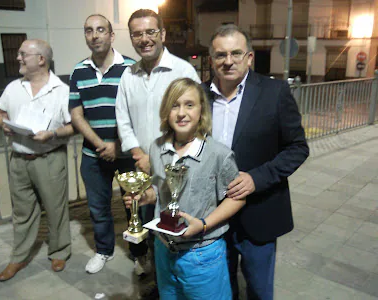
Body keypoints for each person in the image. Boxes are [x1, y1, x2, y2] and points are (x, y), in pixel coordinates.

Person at [204, 24, 309, 300]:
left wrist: (256, 178)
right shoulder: (198, 97)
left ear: (249, 57)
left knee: (260, 292)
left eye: (236, 53)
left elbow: (298, 148)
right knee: (220, 291)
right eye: (220, 55)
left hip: (259, 214)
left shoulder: (274, 93)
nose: (228, 61)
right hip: (213, 216)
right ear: (211, 60)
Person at [124, 77, 246, 299]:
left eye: (189, 105)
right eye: (174, 105)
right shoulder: (157, 147)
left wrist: (203, 224)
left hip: (201, 253)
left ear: (202, 111)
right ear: (166, 111)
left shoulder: (218, 154)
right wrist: (145, 196)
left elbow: (237, 198)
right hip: (163, 248)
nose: (181, 113)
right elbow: (160, 190)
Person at [115, 9, 200, 281]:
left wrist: (159, 158)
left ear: (162, 34)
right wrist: (138, 152)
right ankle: (152, 270)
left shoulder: (182, 70)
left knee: (173, 221)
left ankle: (177, 276)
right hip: (139, 164)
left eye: (150, 32)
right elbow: (122, 118)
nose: (144, 39)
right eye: (137, 34)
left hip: (176, 166)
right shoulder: (129, 75)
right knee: (141, 218)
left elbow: (194, 119)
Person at [69, 14, 147, 274]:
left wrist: (117, 143)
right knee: (98, 207)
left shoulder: (132, 67)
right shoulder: (78, 71)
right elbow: (76, 114)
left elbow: (140, 112)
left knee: (135, 205)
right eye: (89, 30)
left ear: (112, 35)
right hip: (93, 154)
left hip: (127, 154)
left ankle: (139, 253)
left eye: (101, 29)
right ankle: (104, 251)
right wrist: (100, 144)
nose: (95, 35)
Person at [0, 39, 73, 281]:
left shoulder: (62, 91)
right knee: (22, 211)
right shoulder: (13, 88)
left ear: (41, 59)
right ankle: (18, 257)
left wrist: (53, 134)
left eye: (23, 54)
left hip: (49, 158)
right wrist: (3, 125)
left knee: (55, 208)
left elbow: (73, 126)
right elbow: (1, 114)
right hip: (18, 159)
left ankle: (59, 251)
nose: (18, 58)